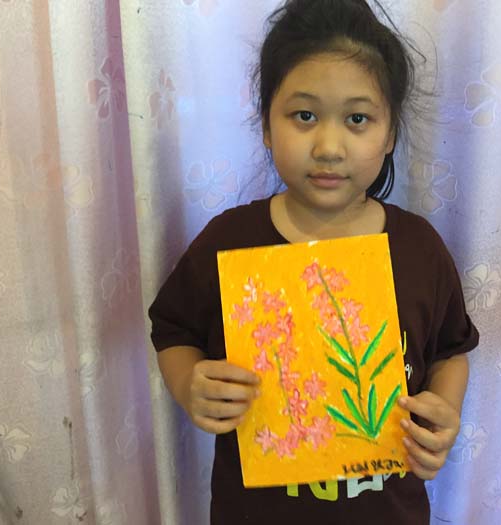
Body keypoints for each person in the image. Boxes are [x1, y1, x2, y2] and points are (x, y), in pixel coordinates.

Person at [148, 0, 479, 523]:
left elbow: (451, 350)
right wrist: (190, 386)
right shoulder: (228, 242)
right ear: (266, 124)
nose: (328, 146)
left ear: (390, 134)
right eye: (304, 116)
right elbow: (172, 329)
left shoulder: (420, 250)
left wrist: (444, 411)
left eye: (357, 119)